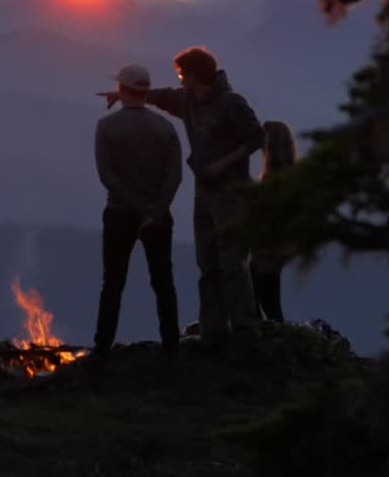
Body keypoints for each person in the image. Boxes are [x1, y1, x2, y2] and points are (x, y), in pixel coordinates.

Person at [100, 47, 265, 349]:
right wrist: (121, 95)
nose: (180, 81)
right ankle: (213, 332)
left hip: (232, 192)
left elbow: (257, 137)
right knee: (208, 263)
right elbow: (159, 95)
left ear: (194, 76)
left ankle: (245, 333)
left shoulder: (231, 104)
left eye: (182, 75)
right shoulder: (188, 101)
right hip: (204, 191)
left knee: (234, 264)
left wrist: (225, 163)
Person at [92, 64, 184, 362]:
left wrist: (135, 205)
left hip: (119, 213)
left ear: (121, 90)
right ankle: (172, 346)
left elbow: (107, 176)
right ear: (145, 91)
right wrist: (156, 209)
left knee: (113, 283)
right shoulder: (166, 127)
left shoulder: (106, 127)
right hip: (158, 215)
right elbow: (175, 176)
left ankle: (103, 348)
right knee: (163, 281)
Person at [250, 120, 297, 323]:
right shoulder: (287, 171)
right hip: (277, 245)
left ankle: (272, 338)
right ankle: (272, 334)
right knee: (266, 293)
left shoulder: (276, 175)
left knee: (263, 294)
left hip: (270, 245)